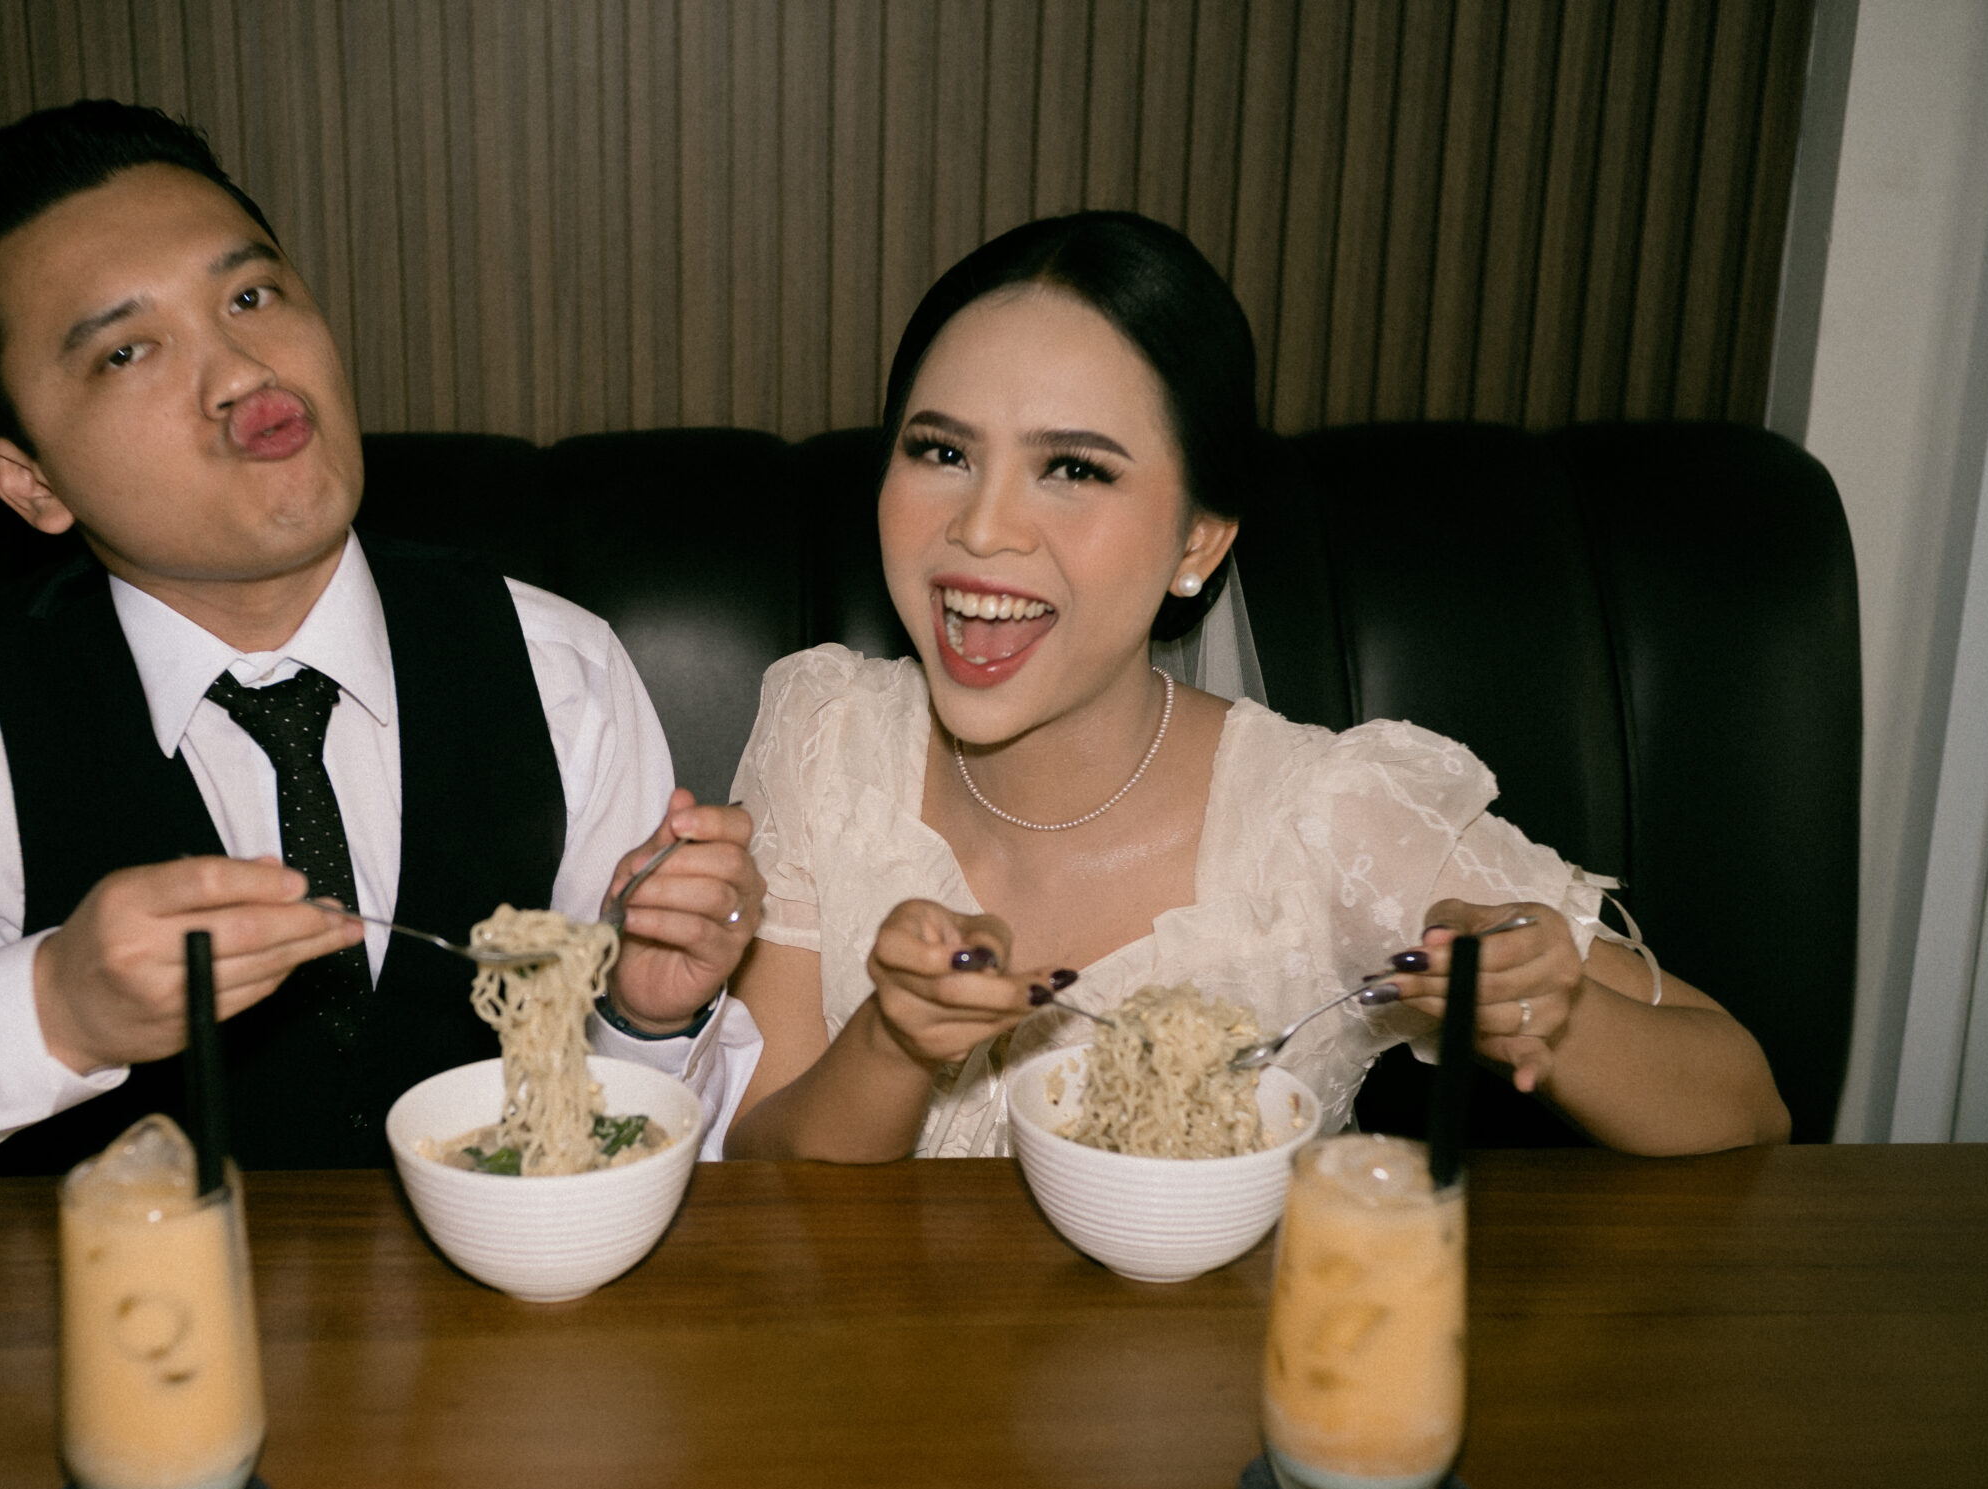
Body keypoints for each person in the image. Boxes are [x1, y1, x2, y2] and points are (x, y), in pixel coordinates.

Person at [0, 102, 763, 1261]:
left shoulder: (557, 666)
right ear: (30, 481)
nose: (239, 370)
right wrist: (53, 1009)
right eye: (128, 350)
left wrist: (644, 1021)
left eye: (250, 296)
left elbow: (664, 1159)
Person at [721, 212, 1788, 1162]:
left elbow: (1745, 1104)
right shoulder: (827, 736)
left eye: (1075, 467)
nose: (983, 527)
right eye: (941, 451)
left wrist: (1552, 1016)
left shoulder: (1325, 823)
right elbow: (761, 1170)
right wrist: (893, 1042)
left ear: (1199, 540)